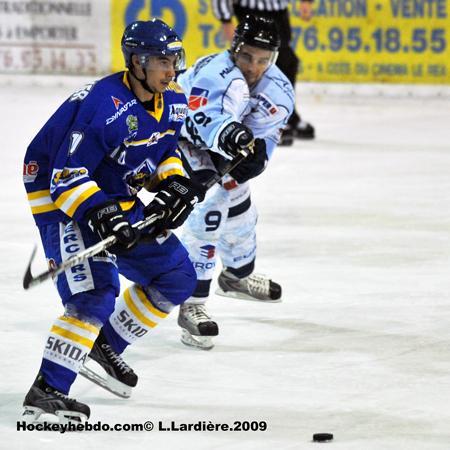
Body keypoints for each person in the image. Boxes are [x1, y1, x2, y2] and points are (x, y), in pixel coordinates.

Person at [21, 19, 207, 423]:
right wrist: (105, 217)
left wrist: (175, 184)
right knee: (94, 293)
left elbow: (163, 151)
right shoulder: (104, 107)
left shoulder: (172, 100)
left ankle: (103, 343)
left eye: (173, 59)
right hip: (60, 190)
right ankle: (47, 391)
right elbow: (64, 177)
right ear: (137, 62)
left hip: (111, 186)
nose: (171, 69)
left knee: (177, 277)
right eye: (162, 60)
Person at [175, 15, 295, 350]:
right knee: (208, 213)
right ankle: (192, 303)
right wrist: (234, 138)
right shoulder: (217, 73)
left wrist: (258, 157)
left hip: (224, 147)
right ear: (235, 50)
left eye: (262, 60)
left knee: (241, 211)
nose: (253, 67)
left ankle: (235, 276)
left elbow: (267, 135)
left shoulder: (279, 89)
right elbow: (203, 121)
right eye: (246, 57)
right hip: (182, 138)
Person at [212, 0, 315, 145]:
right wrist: (226, 19)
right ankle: (251, 118)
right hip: (249, 11)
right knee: (251, 65)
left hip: (279, 11)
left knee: (286, 62)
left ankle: (285, 117)